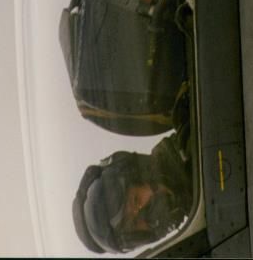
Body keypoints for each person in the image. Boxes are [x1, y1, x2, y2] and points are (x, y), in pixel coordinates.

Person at [72, 97, 192, 254]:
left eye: (136, 200)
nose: (145, 211)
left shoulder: (192, 137)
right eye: (135, 223)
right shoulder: (197, 211)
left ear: (140, 175)